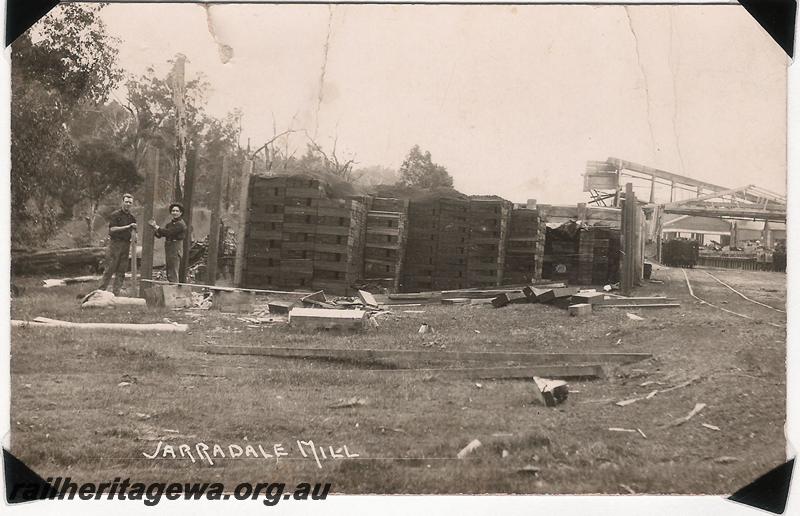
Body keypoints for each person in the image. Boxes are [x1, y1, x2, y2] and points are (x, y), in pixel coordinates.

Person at [99, 193, 137, 295]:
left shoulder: (132, 217)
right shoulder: (115, 215)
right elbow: (112, 229)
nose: (128, 204)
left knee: (122, 270)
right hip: (115, 244)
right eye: (126, 202)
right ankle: (100, 292)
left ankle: (116, 293)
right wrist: (127, 227)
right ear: (122, 202)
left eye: (130, 202)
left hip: (126, 245)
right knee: (110, 268)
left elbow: (134, 231)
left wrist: (135, 236)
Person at [149, 203, 187, 283]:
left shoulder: (181, 224)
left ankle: (174, 290)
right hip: (169, 247)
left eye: (177, 211)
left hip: (176, 248)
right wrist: (155, 229)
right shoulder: (169, 224)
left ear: (181, 213)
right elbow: (161, 234)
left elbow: (169, 233)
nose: (175, 212)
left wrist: (156, 226)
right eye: (173, 211)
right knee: (169, 270)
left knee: (173, 270)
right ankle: (172, 288)